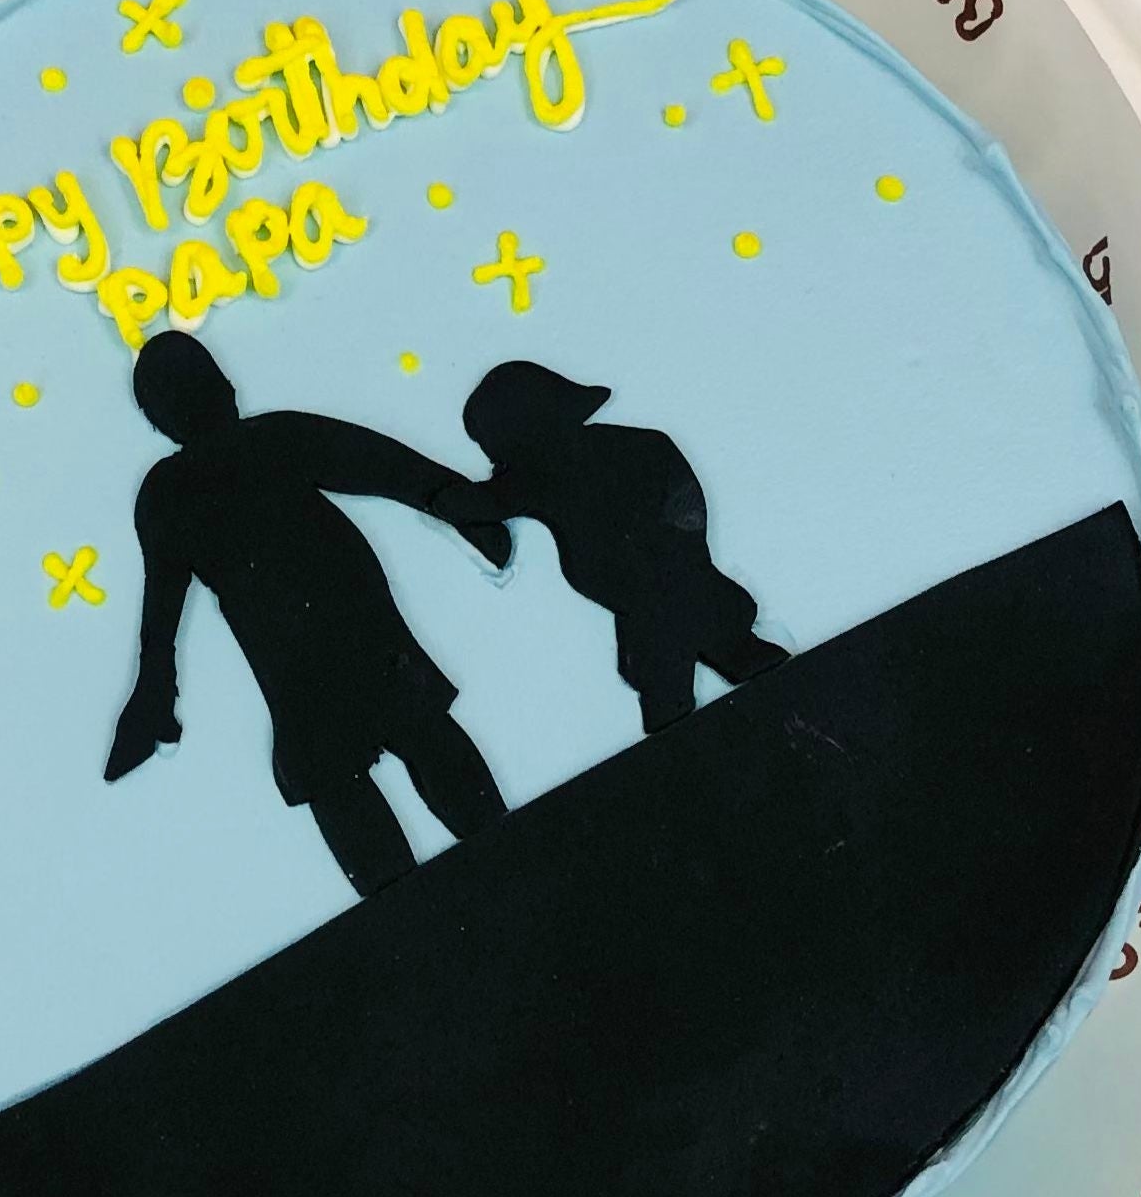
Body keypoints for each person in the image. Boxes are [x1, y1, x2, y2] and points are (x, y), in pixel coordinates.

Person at [105, 333, 513, 899]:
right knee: (392, 743)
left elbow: (382, 464)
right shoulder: (209, 472)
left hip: (316, 635)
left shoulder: (184, 484)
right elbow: (386, 465)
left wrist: (454, 500)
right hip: (314, 636)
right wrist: (453, 499)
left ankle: (445, 883)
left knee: (380, 748)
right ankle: (465, 871)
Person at [454, 361, 785, 735]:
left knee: (676, 693)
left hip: (660, 604)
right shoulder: (636, 445)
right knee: (721, 654)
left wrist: (441, 492)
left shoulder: (554, 470)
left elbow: (483, 503)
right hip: (677, 595)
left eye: (495, 446)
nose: (495, 462)